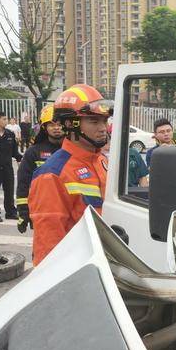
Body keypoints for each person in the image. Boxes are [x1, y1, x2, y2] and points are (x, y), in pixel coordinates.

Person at [29, 84, 112, 265]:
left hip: (105, 263)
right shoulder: (52, 174)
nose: (103, 128)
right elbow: (48, 248)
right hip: (78, 268)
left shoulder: (102, 161)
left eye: (104, 121)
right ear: (69, 124)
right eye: (94, 121)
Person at [15, 105, 64, 233]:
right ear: (44, 127)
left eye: (60, 124)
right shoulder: (34, 152)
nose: (56, 128)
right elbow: (23, 183)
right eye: (52, 125)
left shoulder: (75, 149)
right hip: (42, 212)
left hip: (69, 212)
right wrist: (23, 212)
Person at [0, 110, 22, 222]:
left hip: (7, 168)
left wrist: (20, 160)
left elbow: (15, 152)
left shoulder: (10, 134)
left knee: (9, 191)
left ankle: (10, 212)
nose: (7, 121)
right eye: (4, 119)